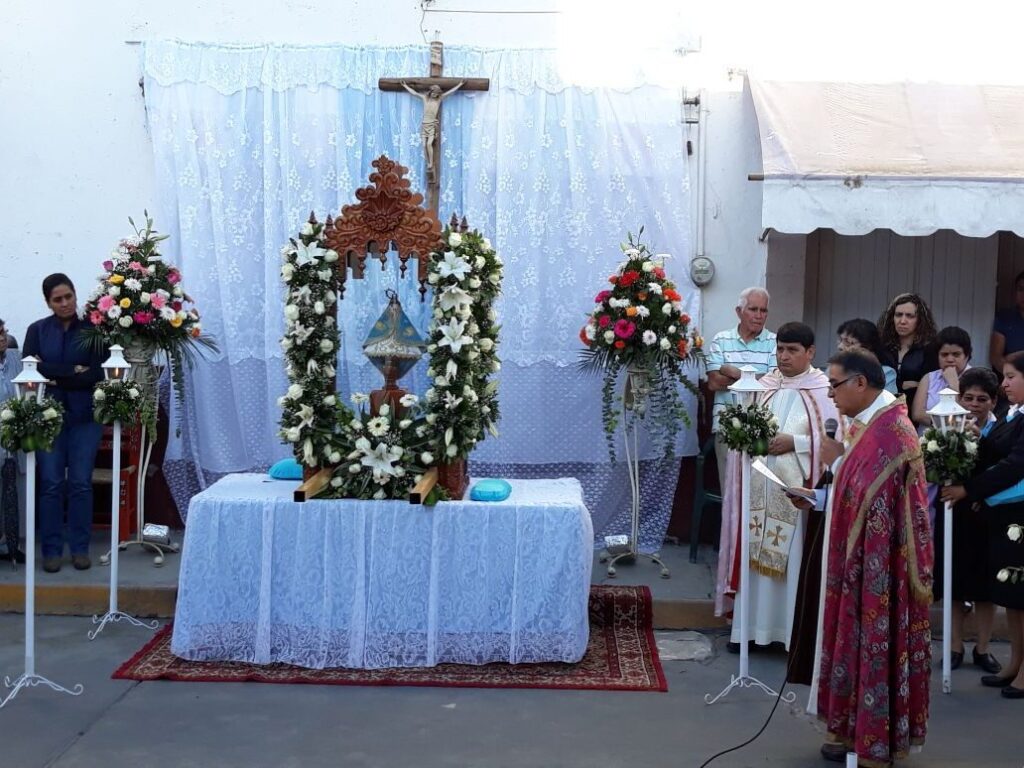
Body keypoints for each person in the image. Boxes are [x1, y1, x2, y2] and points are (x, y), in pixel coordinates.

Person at [793, 351, 931, 765]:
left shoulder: (894, 433)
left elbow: (884, 502)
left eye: (834, 385)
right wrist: (818, 497)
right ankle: (846, 727)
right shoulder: (866, 425)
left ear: (860, 384)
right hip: (852, 560)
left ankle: (873, 739)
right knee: (845, 636)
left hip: (881, 568)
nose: (830, 394)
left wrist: (838, 464)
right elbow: (851, 493)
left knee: (872, 641)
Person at [714, 322, 839, 651]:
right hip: (759, 484)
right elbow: (745, 423)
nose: (783, 356)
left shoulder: (823, 389)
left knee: (792, 561)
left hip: (795, 489)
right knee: (755, 556)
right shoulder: (763, 384)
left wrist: (794, 441)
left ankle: (790, 635)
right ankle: (751, 630)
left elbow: (836, 438)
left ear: (810, 352)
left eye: (792, 350)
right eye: (780, 349)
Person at [941, 352, 1024, 698]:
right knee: (1013, 599)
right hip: (1003, 517)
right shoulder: (1014, 416)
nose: (1004, 383)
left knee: (1022, 595)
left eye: (1011, 377)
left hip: (1020, 517)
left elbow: (1014, 466)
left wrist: (968, 489)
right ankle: (1015, 664)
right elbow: (994, 451)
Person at [23, 274, 105, 573]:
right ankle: (52, 550)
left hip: (86, 417)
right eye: (57, 299)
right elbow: (33, 368)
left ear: (75, 294)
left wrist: (58, 374)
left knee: (81, 483)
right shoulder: (37, 331)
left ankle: (80, 549)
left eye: (68, 296)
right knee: (52, 484)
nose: (65, 303)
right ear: (48, 302)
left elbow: (97, 373)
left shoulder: (94, 329)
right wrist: (73, 370)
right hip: (49, 418)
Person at [931, 367, 1002, 673]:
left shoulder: (1003, 431)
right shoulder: (945, 426)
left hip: (988, 515)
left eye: (982, 399)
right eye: (968, 398)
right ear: (959, 399)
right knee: (955, 585)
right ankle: (955, 645)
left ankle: (983, 648)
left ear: (994, 402)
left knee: (987, 590)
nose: (974, 404)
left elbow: (1002, 470)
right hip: (955, 513)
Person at [705, 287, 777, 493]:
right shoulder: (722, 339)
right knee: (731, 492)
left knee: (759, 492)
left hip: (763, 428)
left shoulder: (774, 342)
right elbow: (714, 383)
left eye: (763, 311)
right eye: (753, 309)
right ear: (739, 311)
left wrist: (733, 371)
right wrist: (755, 379)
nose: (759, 315)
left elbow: (771, 383)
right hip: (726, 426)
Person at [400, 80, 464, 182]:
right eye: (434, 93)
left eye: (437, 93)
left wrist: (459, 85)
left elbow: (450, 92)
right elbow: (414, 93)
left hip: (432, 125)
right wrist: (405, 86)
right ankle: (428, 163)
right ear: (431, 92)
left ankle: (431, 163)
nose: (435, 95)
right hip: (424, 124)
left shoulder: (438, 100)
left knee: (429, 144)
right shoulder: (425, 99)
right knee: (424, 145)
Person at [877, 292, 938, 399]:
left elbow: (933, 385)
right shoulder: (882, 347)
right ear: (892, 318)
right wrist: (903, 385)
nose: (902, 321)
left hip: (915, 409)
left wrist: (919, 385)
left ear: (920, 320)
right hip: (883, 408)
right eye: (898, 315)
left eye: (910, 316)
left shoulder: (929, 349)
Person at [911, 326, 972, 430]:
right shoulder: (929, 378)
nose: (950, 359)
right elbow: (917, 414)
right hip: (926, 440)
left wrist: (954, 384)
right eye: (944, 355)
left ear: (966, 355)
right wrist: (946, 425)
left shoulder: (975, 377)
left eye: (956, 354)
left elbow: (969, 415)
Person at [0, 323, 24, 564]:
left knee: (12, 488)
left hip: (11, 434)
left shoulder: (14, 358)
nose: (2, 338)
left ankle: (12, 543)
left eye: (3, 332)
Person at [836, 317, 897, 394]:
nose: (840, 347)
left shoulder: (886, 373)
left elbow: (887, 404)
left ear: (868, 347)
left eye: (847, 342)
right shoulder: (834, 369)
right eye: (840, 340)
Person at [990, 270, 1024, 372]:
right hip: (1010, 379)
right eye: (1020, 289)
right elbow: (996, 359)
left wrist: (1013, 356)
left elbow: (1009, 359)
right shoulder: (1004, 317)